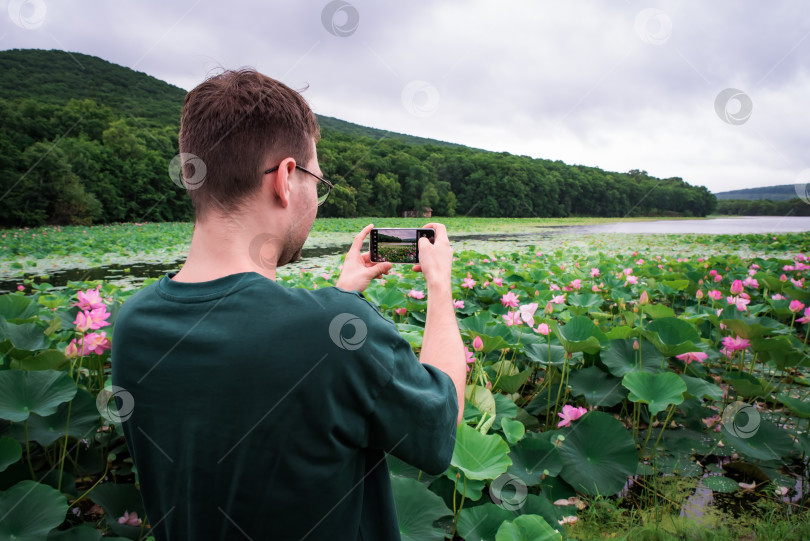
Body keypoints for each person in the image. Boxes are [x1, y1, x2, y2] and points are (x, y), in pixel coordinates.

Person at [111, 68, 465, 540]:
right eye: (316, 179)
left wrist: (342, 301)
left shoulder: (133, 324)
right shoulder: (329, 331)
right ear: (285, 179)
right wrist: (439, 287)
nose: (316, 195)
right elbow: (441, 425)